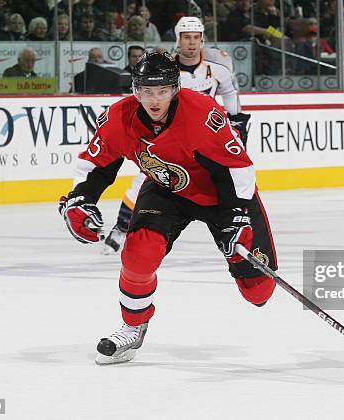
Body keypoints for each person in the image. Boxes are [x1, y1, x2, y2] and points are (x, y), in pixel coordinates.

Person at [58, 51, 277, 365]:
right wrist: (80, 199)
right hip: (168, 191)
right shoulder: (120, 118)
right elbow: (96, 164)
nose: (154, 99)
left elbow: (235, 169)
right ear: (136, 90)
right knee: (137, 254)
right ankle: (133, 326)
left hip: (222, 196)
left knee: (259, 293)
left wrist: (236, 218)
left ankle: (242, 258)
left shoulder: (202, 113)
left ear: (175, 89)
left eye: (162, 91)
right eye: (147, 91)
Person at [103, 17, 251, 254]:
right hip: (168, 137)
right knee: (144, 180)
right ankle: (121, 229)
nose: (191, 43)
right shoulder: (165, 68)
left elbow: (230, 92)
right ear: (177, 39)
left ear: (202, 39)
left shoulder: (219, 66)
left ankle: (235, 227)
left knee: (227, 180)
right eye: (186, 37)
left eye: (195, 37)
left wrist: (236, 123)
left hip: (203, 140)